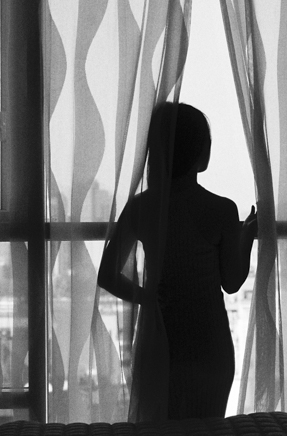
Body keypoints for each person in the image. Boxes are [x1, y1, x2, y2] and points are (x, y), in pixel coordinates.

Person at [97, 102, 257, 421]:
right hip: (209, 341)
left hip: (160, 338)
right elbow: (232, 282)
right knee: (207, 425)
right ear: (200, 151)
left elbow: (107, 275)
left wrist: (148, 298)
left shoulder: (142, 207)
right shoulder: (221, 210)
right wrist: (248, 236)